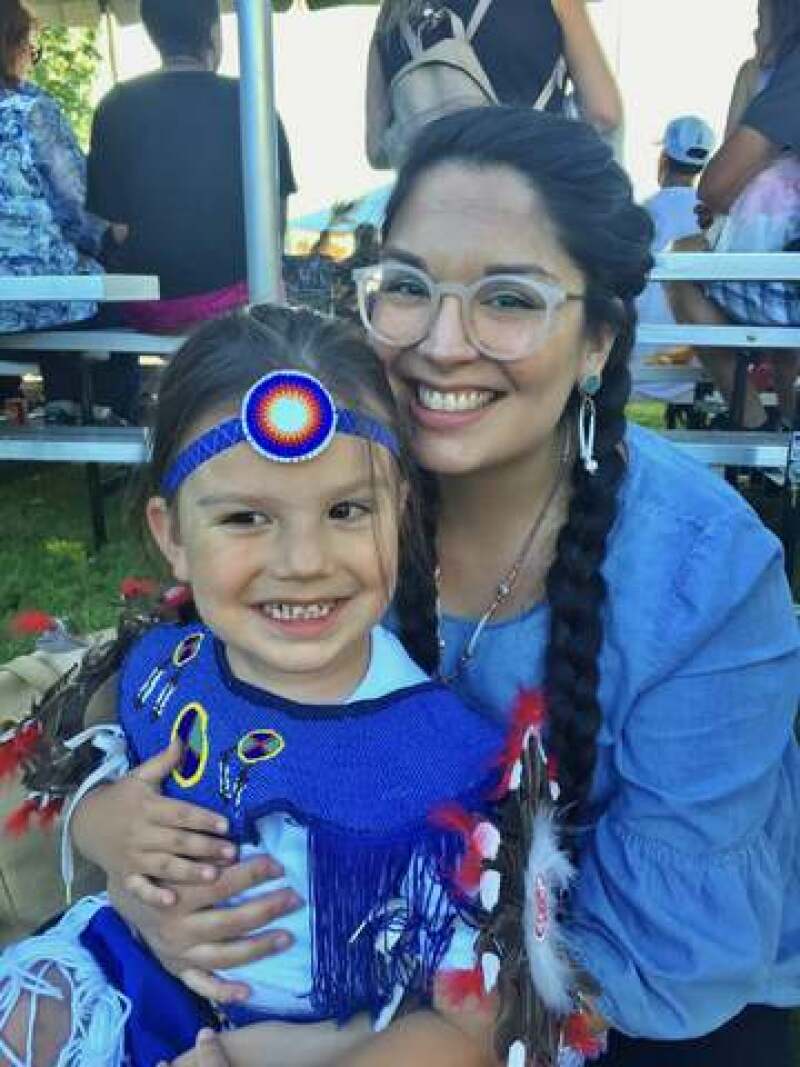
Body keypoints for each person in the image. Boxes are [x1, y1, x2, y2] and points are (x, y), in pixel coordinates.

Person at [79, 108, 799, 1067]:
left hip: (632, 1016)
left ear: (596, 343)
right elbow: (183, 682)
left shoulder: (704, 577)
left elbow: (672, 961)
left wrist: (357, 1025)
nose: (442, 344)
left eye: (508, 298)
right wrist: (129, 861)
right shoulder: (330, 489)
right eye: (409, 287)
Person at [0, 306, 506, 1067]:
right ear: (172, 534)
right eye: (245, 516)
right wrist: (99, 820)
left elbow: (472, 1021)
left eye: (345, 510)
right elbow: (77, 768)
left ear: (399, 511)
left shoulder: (438, 759)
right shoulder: (171, 665)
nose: (303, 560)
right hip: (139, 975)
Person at [85, 0, 297, 334]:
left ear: (151, 32)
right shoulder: (250, 101)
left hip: (148, 307)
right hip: (239, 300)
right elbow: (274, 222)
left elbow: (119, 229)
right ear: (214, 29)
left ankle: (115, 389)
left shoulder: (115, 106)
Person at [668, 0, 800, 430]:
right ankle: (787, 416)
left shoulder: (780, 77)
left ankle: (753, 420)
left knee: (681, 263)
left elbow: (717, 185)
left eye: (760, 19)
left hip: (782, 265)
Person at [0, 0, 129, 418]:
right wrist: (108, 237)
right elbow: (79, 207)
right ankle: (112, 418)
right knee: (107, 298)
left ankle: (60, 400)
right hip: (43, 302)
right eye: (30, 48)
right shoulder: (31, 110)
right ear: (14, 46)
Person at [365, 0, 621, 168]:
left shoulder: (391, 16)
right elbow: (603, 114)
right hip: (526, 197)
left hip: (430, 211)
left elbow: (377, 150)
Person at [631, 115, 715, 409]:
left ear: (663, 158)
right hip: (690, 386)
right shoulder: (714, 220)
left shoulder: (638, 215)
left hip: (634, 382)